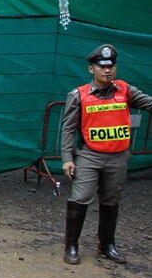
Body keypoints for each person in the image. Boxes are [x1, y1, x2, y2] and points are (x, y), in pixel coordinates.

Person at [60, 44, 152, 265]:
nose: (107, 71)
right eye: (101, 67)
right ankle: (71, 246)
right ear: (91, 69)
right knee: (80, 198)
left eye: (111, 66)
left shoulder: (126, 90)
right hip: (89, 155)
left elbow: (149, 103)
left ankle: (106, 245)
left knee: (111, 200)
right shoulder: (79, 95)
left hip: (118, 157)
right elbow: (68, 129)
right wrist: (67, 159)